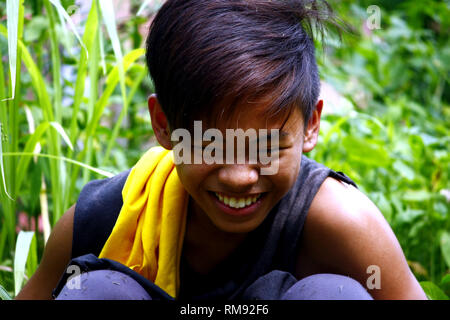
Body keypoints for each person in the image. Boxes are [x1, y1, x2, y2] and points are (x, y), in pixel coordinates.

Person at [16, 0, 426, 300]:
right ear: (163, 125)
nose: (239, 176)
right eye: (209, 145)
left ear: (311, 126)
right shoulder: (105, 218)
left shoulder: (341, 225)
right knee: (99, 291)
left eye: (267, 147)